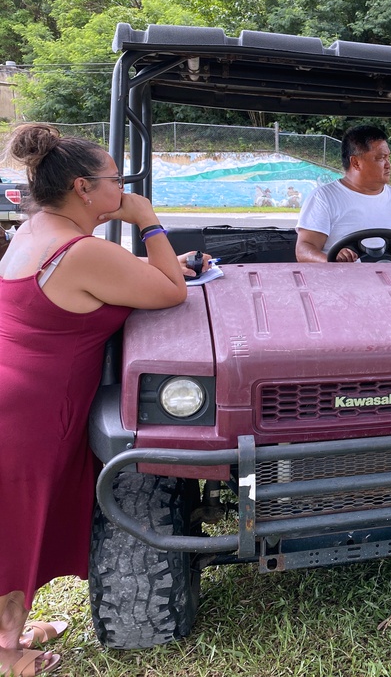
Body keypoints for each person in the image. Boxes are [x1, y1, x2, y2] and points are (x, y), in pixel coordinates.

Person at [0, 124, 205, 675]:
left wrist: (155, 263)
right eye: (118, 180)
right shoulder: (82, 249)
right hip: (33, 408)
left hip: (16, 392)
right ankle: (6, 650)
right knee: (17, 528)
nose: (125, 188)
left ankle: (10, 628)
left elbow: (118, 279)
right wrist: (147, 220)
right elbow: (171, 293)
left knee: (17, 520)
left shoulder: (37, 228)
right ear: (84, 188)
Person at [295, 126, 391, 264]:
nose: (388, 165)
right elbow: (304, 249)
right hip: (343, 282)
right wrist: (330, 260)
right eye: (381, 158)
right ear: (355, 162)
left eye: (388, 157)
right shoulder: (324, 198)